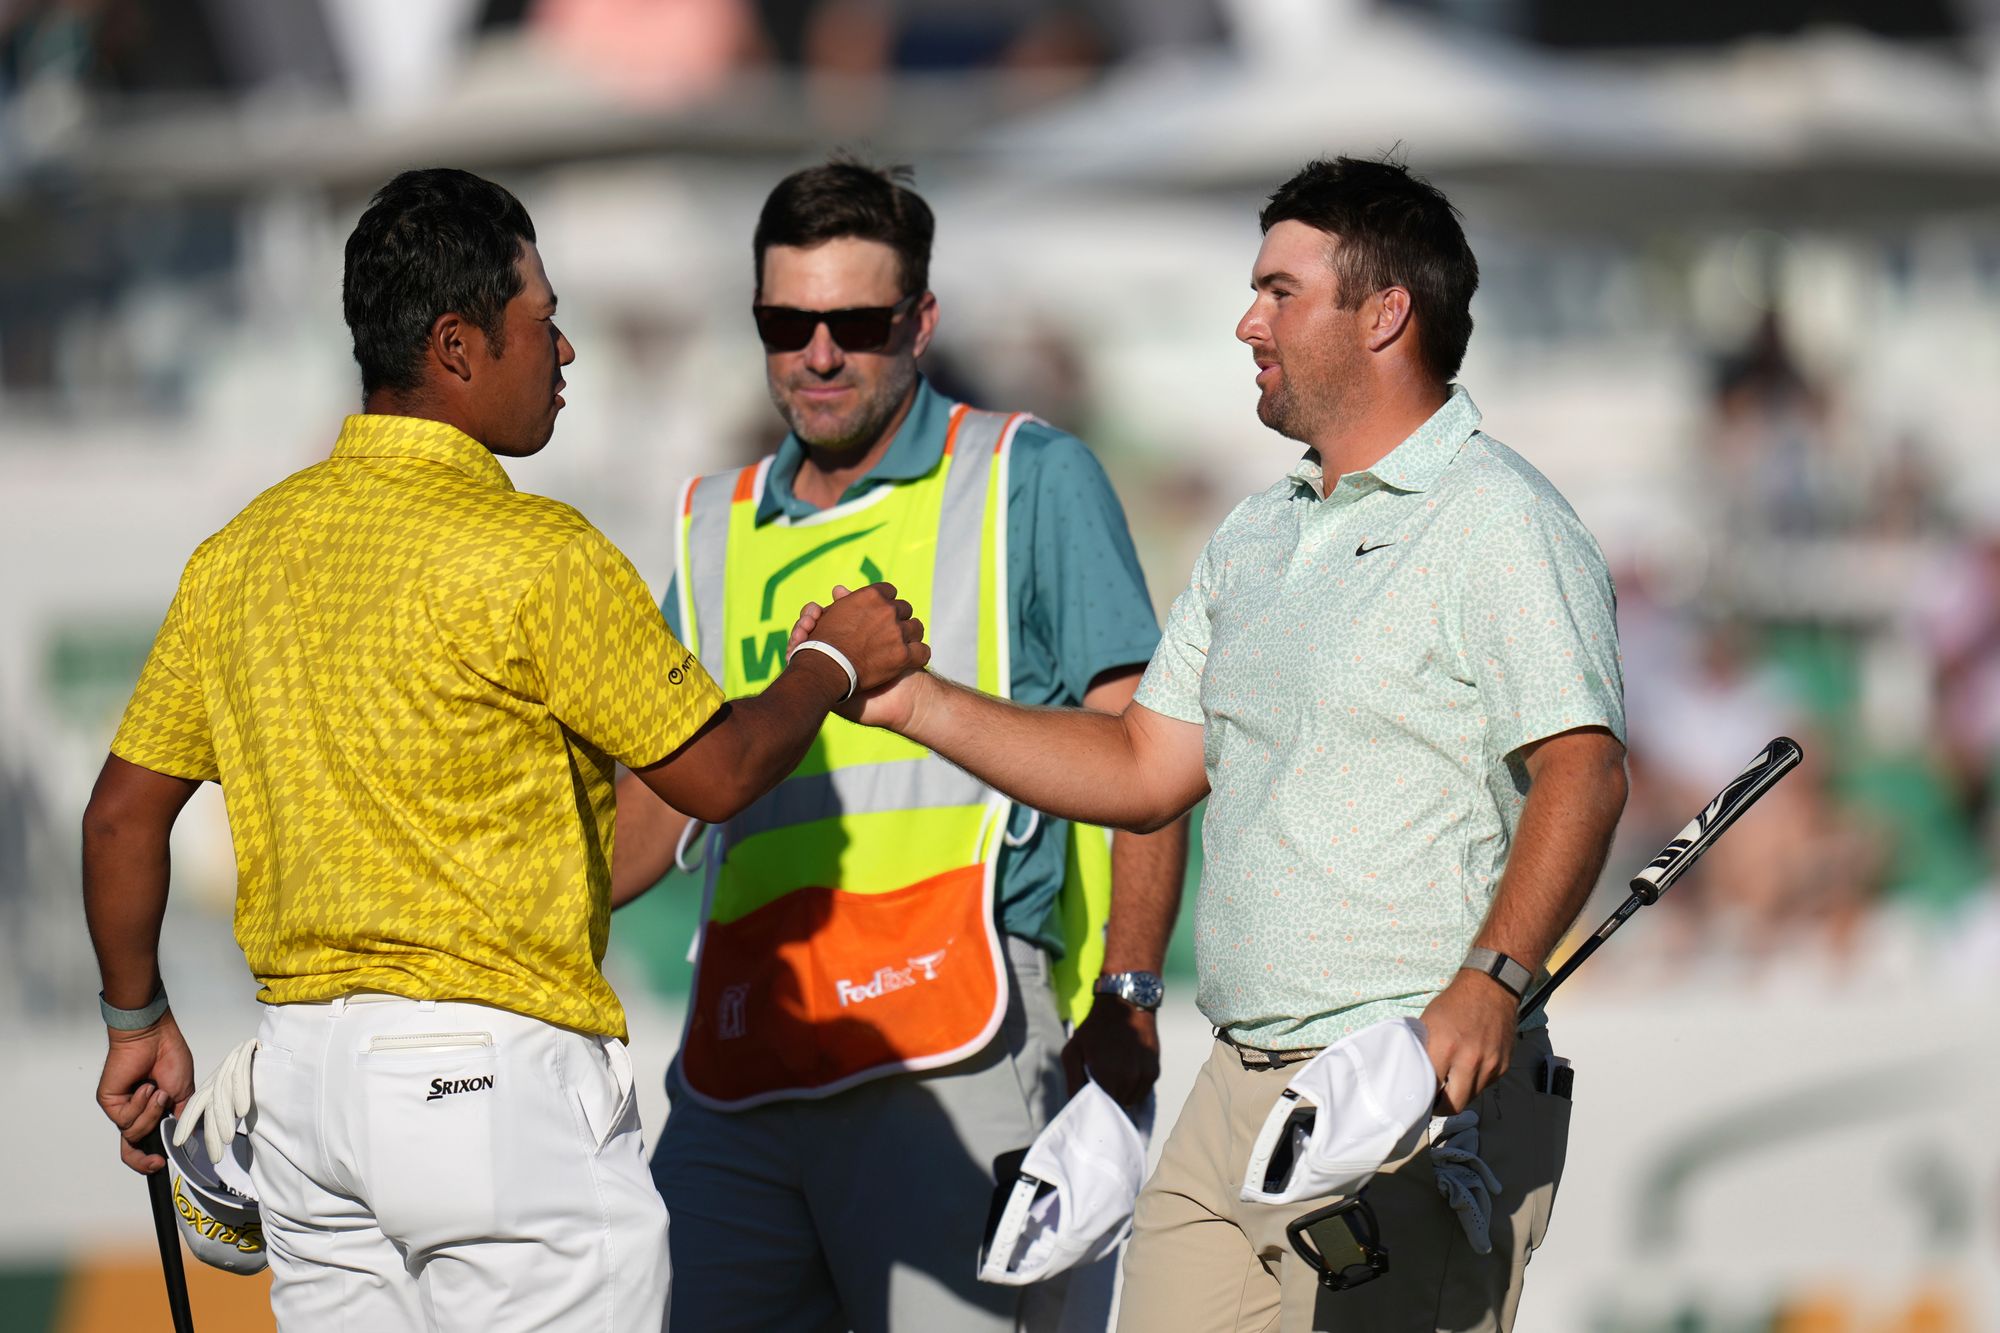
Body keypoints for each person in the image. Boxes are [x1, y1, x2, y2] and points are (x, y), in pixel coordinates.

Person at [81, 167, 926, 1333]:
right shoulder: (537, 550)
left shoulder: (237, 555)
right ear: (458, 346)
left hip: (304, 1093)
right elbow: (717, 773)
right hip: (493, 1089)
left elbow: (120, 818)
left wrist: (137, 1025)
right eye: (543, 319)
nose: (567, 351)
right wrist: (830, 663)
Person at [802, 155, 1629, 1332]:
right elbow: (1144, 769)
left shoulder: (1499, 519)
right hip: (1232, 1087)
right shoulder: (1255, 534)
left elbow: (1583, 768)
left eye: (1279, 292)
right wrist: (911, 701)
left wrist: (1490, 982)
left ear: (1384, 312)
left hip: (1402, 1093)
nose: (1247, 322)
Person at [610, 158, 1188, 1332]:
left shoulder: (1029, 476)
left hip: (957, 1038)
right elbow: (651, 810)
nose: (818, 352)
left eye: (856, 322)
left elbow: (1151, 762)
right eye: (788, 321)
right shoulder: (710, 527)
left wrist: (1127, 1000)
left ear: (919, 323)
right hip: (741, 1063)